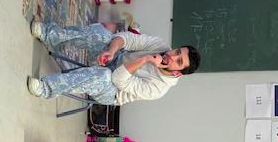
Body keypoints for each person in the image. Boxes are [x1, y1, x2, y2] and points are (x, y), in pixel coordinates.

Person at [26, 21, 200, 105]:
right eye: (177, 52)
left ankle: (45, 88)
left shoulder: (158, 89)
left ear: (177, 73)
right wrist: (111, 50)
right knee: (103, 36)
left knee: (104, 76)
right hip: (114, 59)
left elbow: (118, 79)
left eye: (178, 61)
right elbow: (127, 38)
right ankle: (49, 34)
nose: (172, 56)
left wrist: (145, 59)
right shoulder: (161, 45)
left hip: (112, 91)